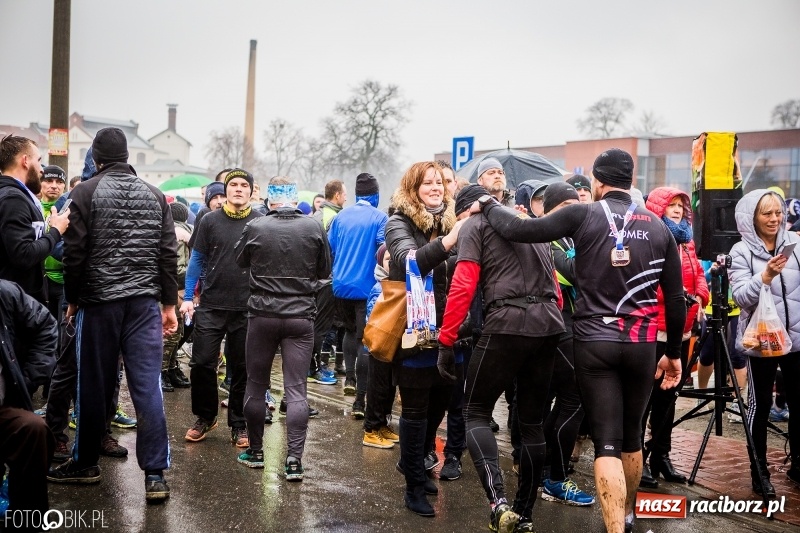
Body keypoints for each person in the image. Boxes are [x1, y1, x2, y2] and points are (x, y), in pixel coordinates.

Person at [475, 148, 686, 533]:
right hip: (642, 344)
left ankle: (615, 528)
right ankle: (627, 516)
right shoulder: (659, 228)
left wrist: (487, 203)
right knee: (632, 438)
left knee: (605, 441)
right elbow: (674, 298)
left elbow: (520, 230)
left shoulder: (583, 213)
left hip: (593, 341)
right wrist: (673, 353)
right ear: (631, 180)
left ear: (597, 181)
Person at [49, 127, 177, 502]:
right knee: (147, 386)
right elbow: (167, 253)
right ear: (127, 157)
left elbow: (75, 254)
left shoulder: (83, 193)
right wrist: (168, 306)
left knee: (92, 384)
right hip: (143, 305)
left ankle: (85, 463)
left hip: (99, 302)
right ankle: (155, 474)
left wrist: (73, 300)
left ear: (97, 158)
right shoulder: (155, 196)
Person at [438, 174, 564, 531]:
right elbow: (555, 284)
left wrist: (446, 341)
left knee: (475, 410)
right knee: (531, 421)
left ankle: (498, 503)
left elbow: (463, 287)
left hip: (508, 321)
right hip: (550, 323)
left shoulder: (472, 226)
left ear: (465, 210)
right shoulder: (525, 222)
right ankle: (524, 514)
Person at [233, 176, 331, 480]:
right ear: (293, 198)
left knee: (256, 384)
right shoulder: (314, 226)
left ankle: (257, 452)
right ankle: (293, 461)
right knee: (297, 389)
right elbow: (325, 268)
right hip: (301, 316)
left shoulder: (257, 226)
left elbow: (240, 261)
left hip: (262, 315)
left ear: (270, 200)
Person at [385, 161, 464, 517]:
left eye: (439, 182)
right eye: (427, 183)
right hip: (414, 332)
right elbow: (406, 261)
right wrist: (450, 241)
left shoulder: (454, 220)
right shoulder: (398, 221)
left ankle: (414, 462)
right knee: (415, 412)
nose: (435, 187)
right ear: (413, 188)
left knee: (439, 407)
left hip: (451, 330)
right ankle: (414, 485)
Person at [181, 169, 262, 448]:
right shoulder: (209, 220)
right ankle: (205, 416)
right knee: (202, 362)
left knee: (241, 367)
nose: (238, 189)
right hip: (212, 304)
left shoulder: (260, 222)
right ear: (225, 191)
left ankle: (239, 423)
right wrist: (188, 296)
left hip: (247, 307)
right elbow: (197, 260)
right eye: (233, 185)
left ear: (251, 191)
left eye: (243, 185)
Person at [729, 189, 800, 497]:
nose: (774, 218)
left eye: (778, 212)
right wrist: (766, 276)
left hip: (796, 340)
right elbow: (741, 296)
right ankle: (760, 472)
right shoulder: (741, 251)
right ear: (751, 218)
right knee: (759, 407)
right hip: (761, 342)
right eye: (766, 213)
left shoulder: (795, 246)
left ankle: (798, 465)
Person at [641, 187, 709, 488]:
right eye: (673, 205)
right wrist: (676, 295)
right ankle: (638, 459)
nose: (679, 209)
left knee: (668, 400)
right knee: (646, 399)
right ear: (659, 208)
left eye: (682, 205)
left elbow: (699, 276)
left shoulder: (687, 240)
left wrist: (701, 296)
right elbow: (647, 282)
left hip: (681, 329)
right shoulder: (652, 238)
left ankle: (661, 456)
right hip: (655, 330)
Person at [539, 182, 596, 507]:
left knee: (568, 402)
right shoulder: (548, 238)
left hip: (575, 326)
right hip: (556, 326)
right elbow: (576, 273)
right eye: (566, 207)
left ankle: (547, 472)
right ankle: (554, 478)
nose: (574, 212)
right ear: (551, 211)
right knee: (573, 398)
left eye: (578, 206)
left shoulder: (572, 237)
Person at [327, 173, 387, 418]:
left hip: (340, 286)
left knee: (349, 332)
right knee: (366, 340)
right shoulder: (380, 217)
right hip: (366, 287)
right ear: (375, 194)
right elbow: (384, 251)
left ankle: (349, 378)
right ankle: (360, 401)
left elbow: (329, 247)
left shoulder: (340, 216)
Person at [0, 279, 57, 522]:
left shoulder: (5, 293)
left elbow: (45, 325)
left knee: (33, 429)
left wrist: (27, 380)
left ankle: (27, 521)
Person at [0, 135, 70, 304]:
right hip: (15, 303)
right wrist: (56, 231)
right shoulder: (12, 199)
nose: (41, 170)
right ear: (25, 161)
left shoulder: (18, 196)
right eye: (38, 160)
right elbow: (23, 255)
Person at [161, 201, 193, 392]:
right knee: (172, 333)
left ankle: (171, 368)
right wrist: (196, 276)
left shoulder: (176, 231)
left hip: (174, 289)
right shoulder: (180, 234)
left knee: (177, 332)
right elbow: (178, 268)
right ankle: (163, 370)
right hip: (174, 289)